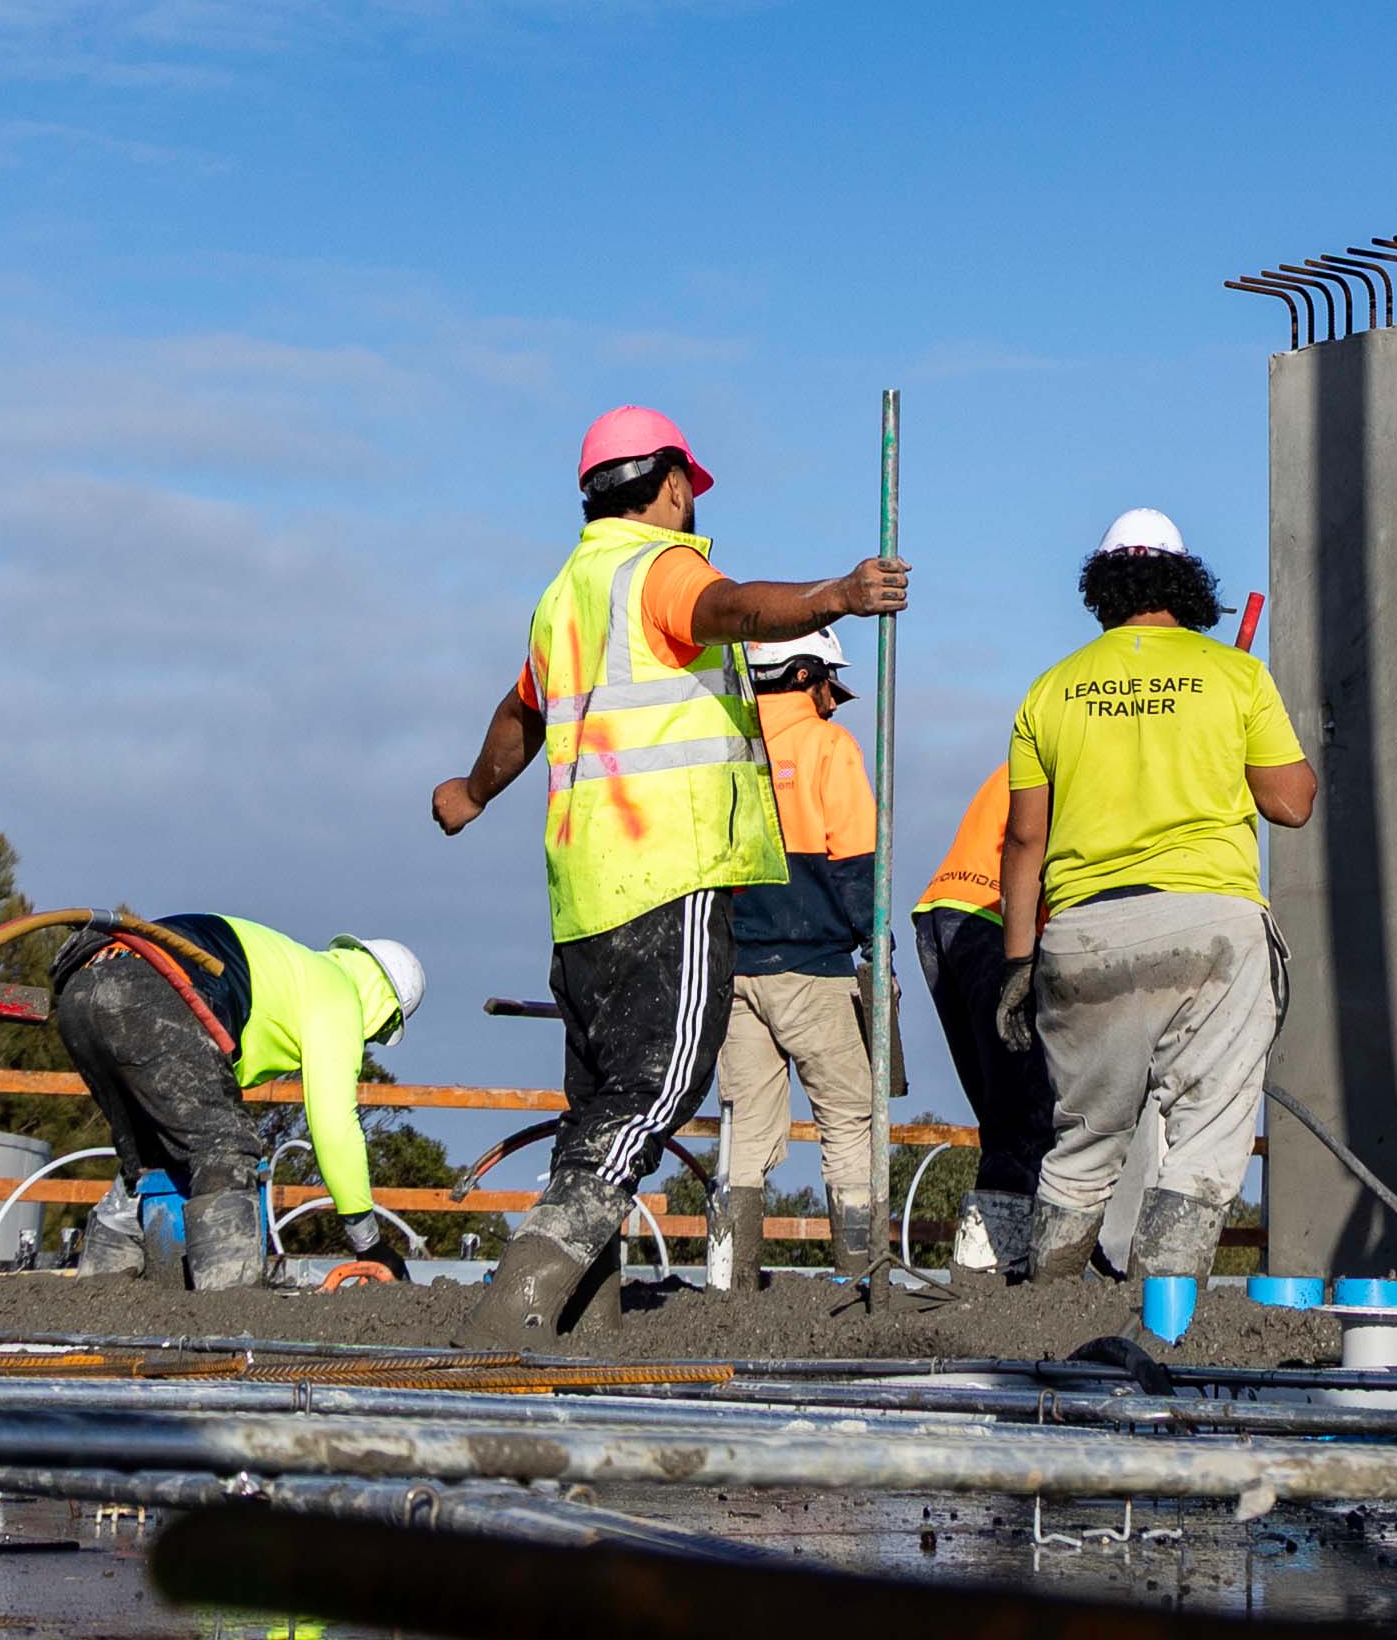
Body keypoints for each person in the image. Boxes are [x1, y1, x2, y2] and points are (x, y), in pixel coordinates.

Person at [426, 404, 905, 1336]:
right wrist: (833, 596)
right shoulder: (660, 565)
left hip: (581, 889)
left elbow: (519, 715)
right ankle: (523, 1296)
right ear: (675, 483)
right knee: (662, 1082)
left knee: (600, 1099)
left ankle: (587, 1318)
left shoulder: (565, 593)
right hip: (668, 871)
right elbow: (725, 609)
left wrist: (473, 792)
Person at [992, 507, 1314, 1285]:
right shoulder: (1236, 676)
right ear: (1185, 583)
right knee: (1204, 1132)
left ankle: (1048, 1314)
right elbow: (1292, 802)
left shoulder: (1050, 690)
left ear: (1102, 588)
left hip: (1084, 935)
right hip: (1212, 930)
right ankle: (1169, 1321)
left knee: (1082, 1141)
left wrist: (1016, 964)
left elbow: (1025, 842)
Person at [50, 915, 430, 1288]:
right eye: (380, 1033)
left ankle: (98, 1298)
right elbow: (335, 1126)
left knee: (149, 1159)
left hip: (85, 982)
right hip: (152, 984)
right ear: (386, 1011)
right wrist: (369, 1243)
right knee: (225, 1149)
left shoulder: (295, 971)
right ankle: (229, 1309)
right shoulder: (339, 993)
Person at [707, 634, 884, 1289]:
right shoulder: (827, 746)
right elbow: (858, 864)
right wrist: (879, 946)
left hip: (732, 969)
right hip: (813, 968)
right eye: (828, 685)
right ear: (803, 672)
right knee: (849, 1118)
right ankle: (861, 1276)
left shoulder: (722, 748)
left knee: (744, 1130)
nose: (832, 702)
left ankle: (730, 1281)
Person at [905, 754, 1046, 1277]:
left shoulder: (1028, 758)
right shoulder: (1067, 766)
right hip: (989, 920)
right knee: (1023, 1101)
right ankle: (999, 1262)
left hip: (942, 914)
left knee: (999, 1103)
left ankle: (985, 1261)